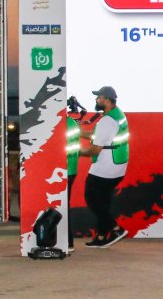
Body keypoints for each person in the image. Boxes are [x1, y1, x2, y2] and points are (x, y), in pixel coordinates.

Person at [79, 85, 129, 248]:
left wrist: (77, 152)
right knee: (103, 201)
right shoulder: (117, 114)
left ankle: (116, 229)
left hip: (105, 167)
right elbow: (100, 135)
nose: (96, 100)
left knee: (92, 198)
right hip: (118, 165)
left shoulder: (107, 121)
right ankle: (101, 237)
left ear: (106, 100)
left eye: (99, 97)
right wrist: (80, 132)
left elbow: (95, 148)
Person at [65, 101, 82, 251]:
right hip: (71, 169)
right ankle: (68, 241)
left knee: (63, 206)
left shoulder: (64, 125)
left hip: (66, 169)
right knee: (64, 205)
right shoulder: (72, 123)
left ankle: (68, 242)